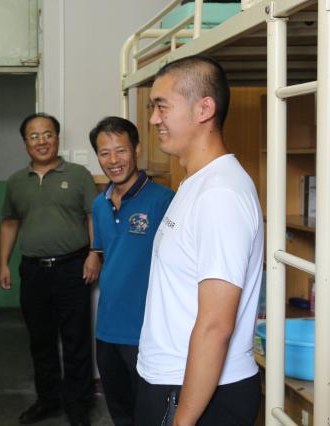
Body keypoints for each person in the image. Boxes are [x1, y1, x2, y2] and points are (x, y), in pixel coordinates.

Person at [135, 55, 264, 425]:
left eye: (162, 106)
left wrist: (183, 419)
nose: (153, 119)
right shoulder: (195, 184)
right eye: (152, 108)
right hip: (172, 381)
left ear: (204, 109)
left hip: (197, 392)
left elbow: (216, 324)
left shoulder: (220, 194)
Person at [0, 113, 99, 426]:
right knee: (40, 341)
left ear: (57, 138)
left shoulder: (79, 175)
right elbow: (10, 223)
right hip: (33, 272)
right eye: (34, 136)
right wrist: (3, 263)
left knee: (76, 340)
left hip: (73, 268)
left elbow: (93, 217)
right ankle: (48, 400)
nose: (41, 141)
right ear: (25, 143)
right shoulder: (16, 182)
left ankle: (78, 404)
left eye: (47, 134)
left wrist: (95, 254)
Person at [88, 117, 173, 425]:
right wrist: (92, 255)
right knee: (120, 412)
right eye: (104, 153)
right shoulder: (99, 204)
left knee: (149, 415)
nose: (113, 160)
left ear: (137, 149)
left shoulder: (164, 201)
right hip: (107, 328)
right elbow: (105, 251)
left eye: (120, 150)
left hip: (146, 331)